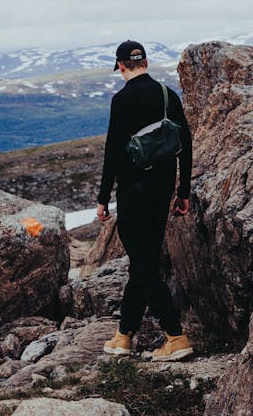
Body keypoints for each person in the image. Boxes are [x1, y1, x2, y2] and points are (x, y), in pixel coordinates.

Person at [96, 39, 193, 361]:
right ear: (146, 63)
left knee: (143, 264)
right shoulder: (167, 95)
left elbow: (112, 151)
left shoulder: (122, 100)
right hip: (162, 189)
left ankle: (175, 335)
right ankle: (124, 335)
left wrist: (102, 198)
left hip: (133, 192)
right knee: (144, 260)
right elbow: (185, 145)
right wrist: (183, 192)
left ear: (121, 66)